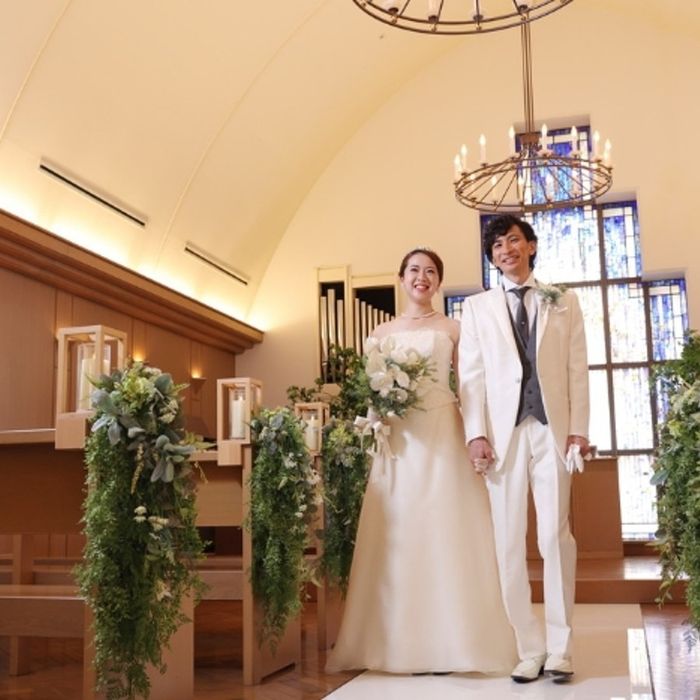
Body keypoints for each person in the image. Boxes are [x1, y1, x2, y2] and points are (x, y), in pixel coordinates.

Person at [325, 247, 517, 675]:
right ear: (401, 278)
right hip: (398, 441)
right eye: (414, 270)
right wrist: (373, 426)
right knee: (400, 530)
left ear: (438, 281)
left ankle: (456, 643)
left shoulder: (453, 328)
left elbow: (469, 385)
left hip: (442, 432)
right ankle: (397, 644)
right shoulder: (380, 332)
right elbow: (373, 390)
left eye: (430, 271)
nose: (422, 277)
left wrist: (477, 434)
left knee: (446, 529)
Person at [458, 214, 590, 684]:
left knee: (554, 538)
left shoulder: (564, 300)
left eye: (512, 240)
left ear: (530, 246)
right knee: (508, 543)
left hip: (552, 431)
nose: (505, 250)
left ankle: (560, 649)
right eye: (496, 245)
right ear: (492, 257)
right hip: (502, 437)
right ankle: (528, 648)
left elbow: (577, 369)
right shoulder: (476, 308)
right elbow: (471, 375)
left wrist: (578, 429)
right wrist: (475, 432)